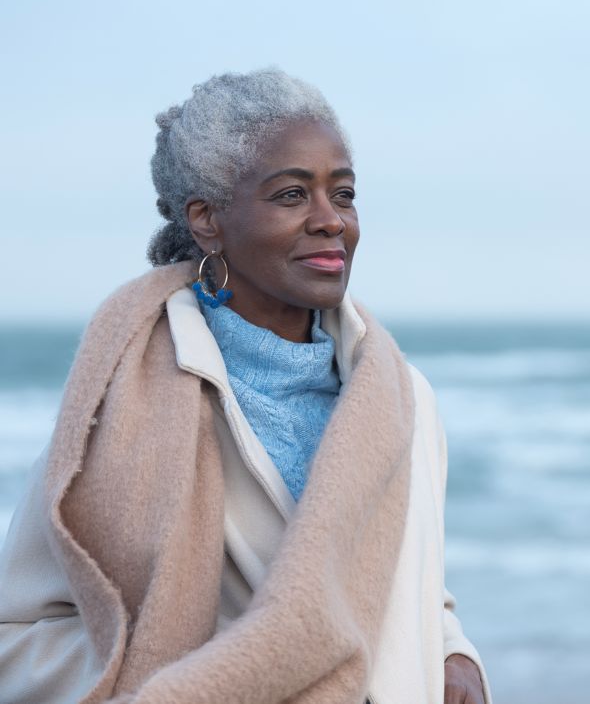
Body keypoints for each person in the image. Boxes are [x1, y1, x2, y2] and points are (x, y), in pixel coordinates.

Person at [0, 68, 492, 704]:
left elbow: (410, 581)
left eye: (342, 195)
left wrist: (455, 656)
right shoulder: (122, 405)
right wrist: (215, 675)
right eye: (292, 195)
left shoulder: (405, 398)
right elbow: (19, 632)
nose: (330, 221)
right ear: (207, 219)